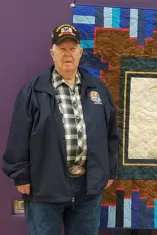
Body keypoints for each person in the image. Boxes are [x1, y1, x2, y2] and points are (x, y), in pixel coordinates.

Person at [2, 23, 118, 235]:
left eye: (72, 49)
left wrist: (109, 169)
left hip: (87, 190)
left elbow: (111, 133)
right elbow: (18, 135)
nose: (67, 54)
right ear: (52, 53)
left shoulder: (98, 89)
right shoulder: (33, 90)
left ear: (80, 53)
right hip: (45, 187)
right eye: (62, 49)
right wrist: (21, 176)